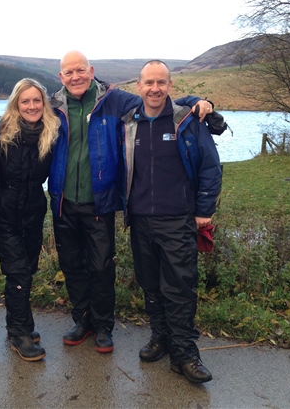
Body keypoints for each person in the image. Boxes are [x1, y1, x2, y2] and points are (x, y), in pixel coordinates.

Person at [48, 50, 214, 354]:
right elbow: (23, 116)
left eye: (80, 70)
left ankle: (102, 325)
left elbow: (157, 100)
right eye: (69, 72)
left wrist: (196, 101)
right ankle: (81, 320)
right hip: (62, 202)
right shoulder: (53, 106)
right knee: (72, 266)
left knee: (100, 266)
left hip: (100, 201)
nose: (75, 77)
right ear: (61, 77)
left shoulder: (114, 100)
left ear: (91, 70)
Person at [122, 60, 222, 383]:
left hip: (178, 219)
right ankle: (160, 337)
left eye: (161, 82)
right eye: (149, 82)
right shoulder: (128, 123)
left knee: (179, 287)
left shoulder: (186, 121)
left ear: (169, 86)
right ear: (138, 86)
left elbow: (210, 165)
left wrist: (204, 209)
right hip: (139, 220)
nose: (155, 88)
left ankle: (185, 354)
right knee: (150, 284)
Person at [0, 78, 60, 362]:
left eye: (36, 101)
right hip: (5, 212)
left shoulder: (51, 134)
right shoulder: (0, 134)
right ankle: (18, 333)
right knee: (17, 271)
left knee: (27, 269)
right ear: (16, 105)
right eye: (25, 101)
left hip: (33, 210)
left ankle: (22, 324)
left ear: (43, 104)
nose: (31, 106)